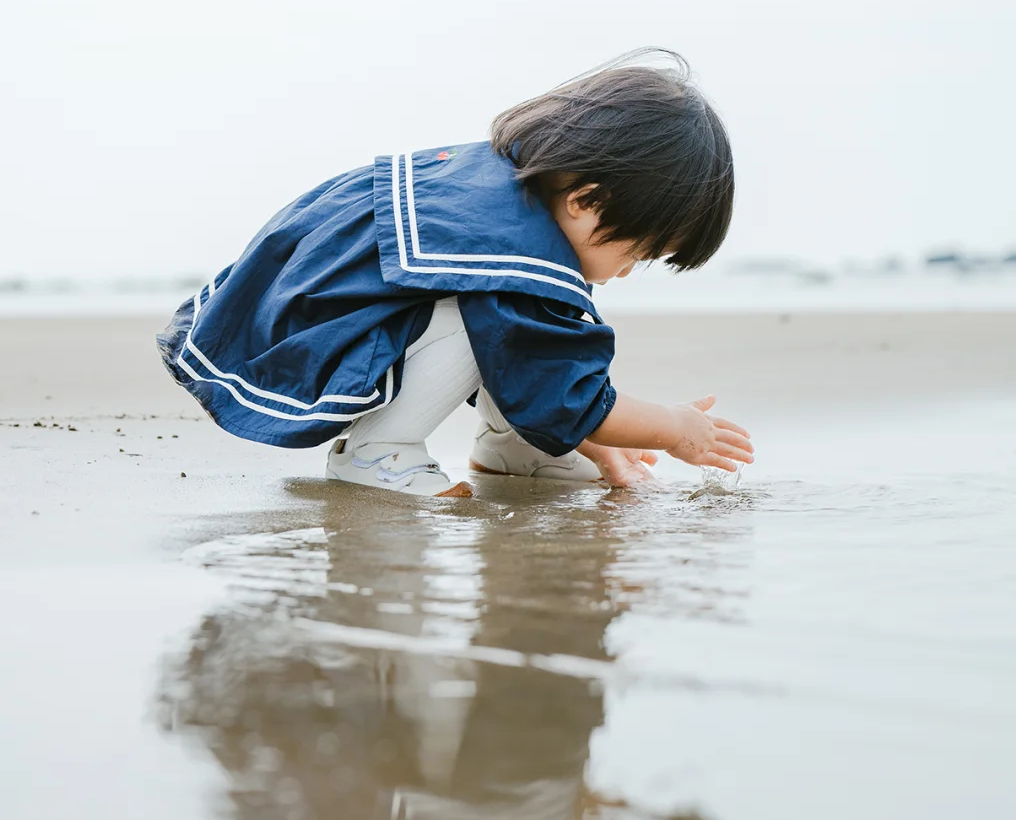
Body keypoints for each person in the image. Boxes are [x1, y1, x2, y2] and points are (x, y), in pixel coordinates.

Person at [157, 49, 753, 494]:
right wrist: (672, 428)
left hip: (301, 311)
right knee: (490, 311)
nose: (625, 273)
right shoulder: (505, 249)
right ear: (588, 201)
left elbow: (532, 369)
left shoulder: (492, 194)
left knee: (510, 318)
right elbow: (557, 384)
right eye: (638, 252)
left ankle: (512, 449)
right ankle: (378, 450)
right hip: (312, 336)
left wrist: (592, 446)